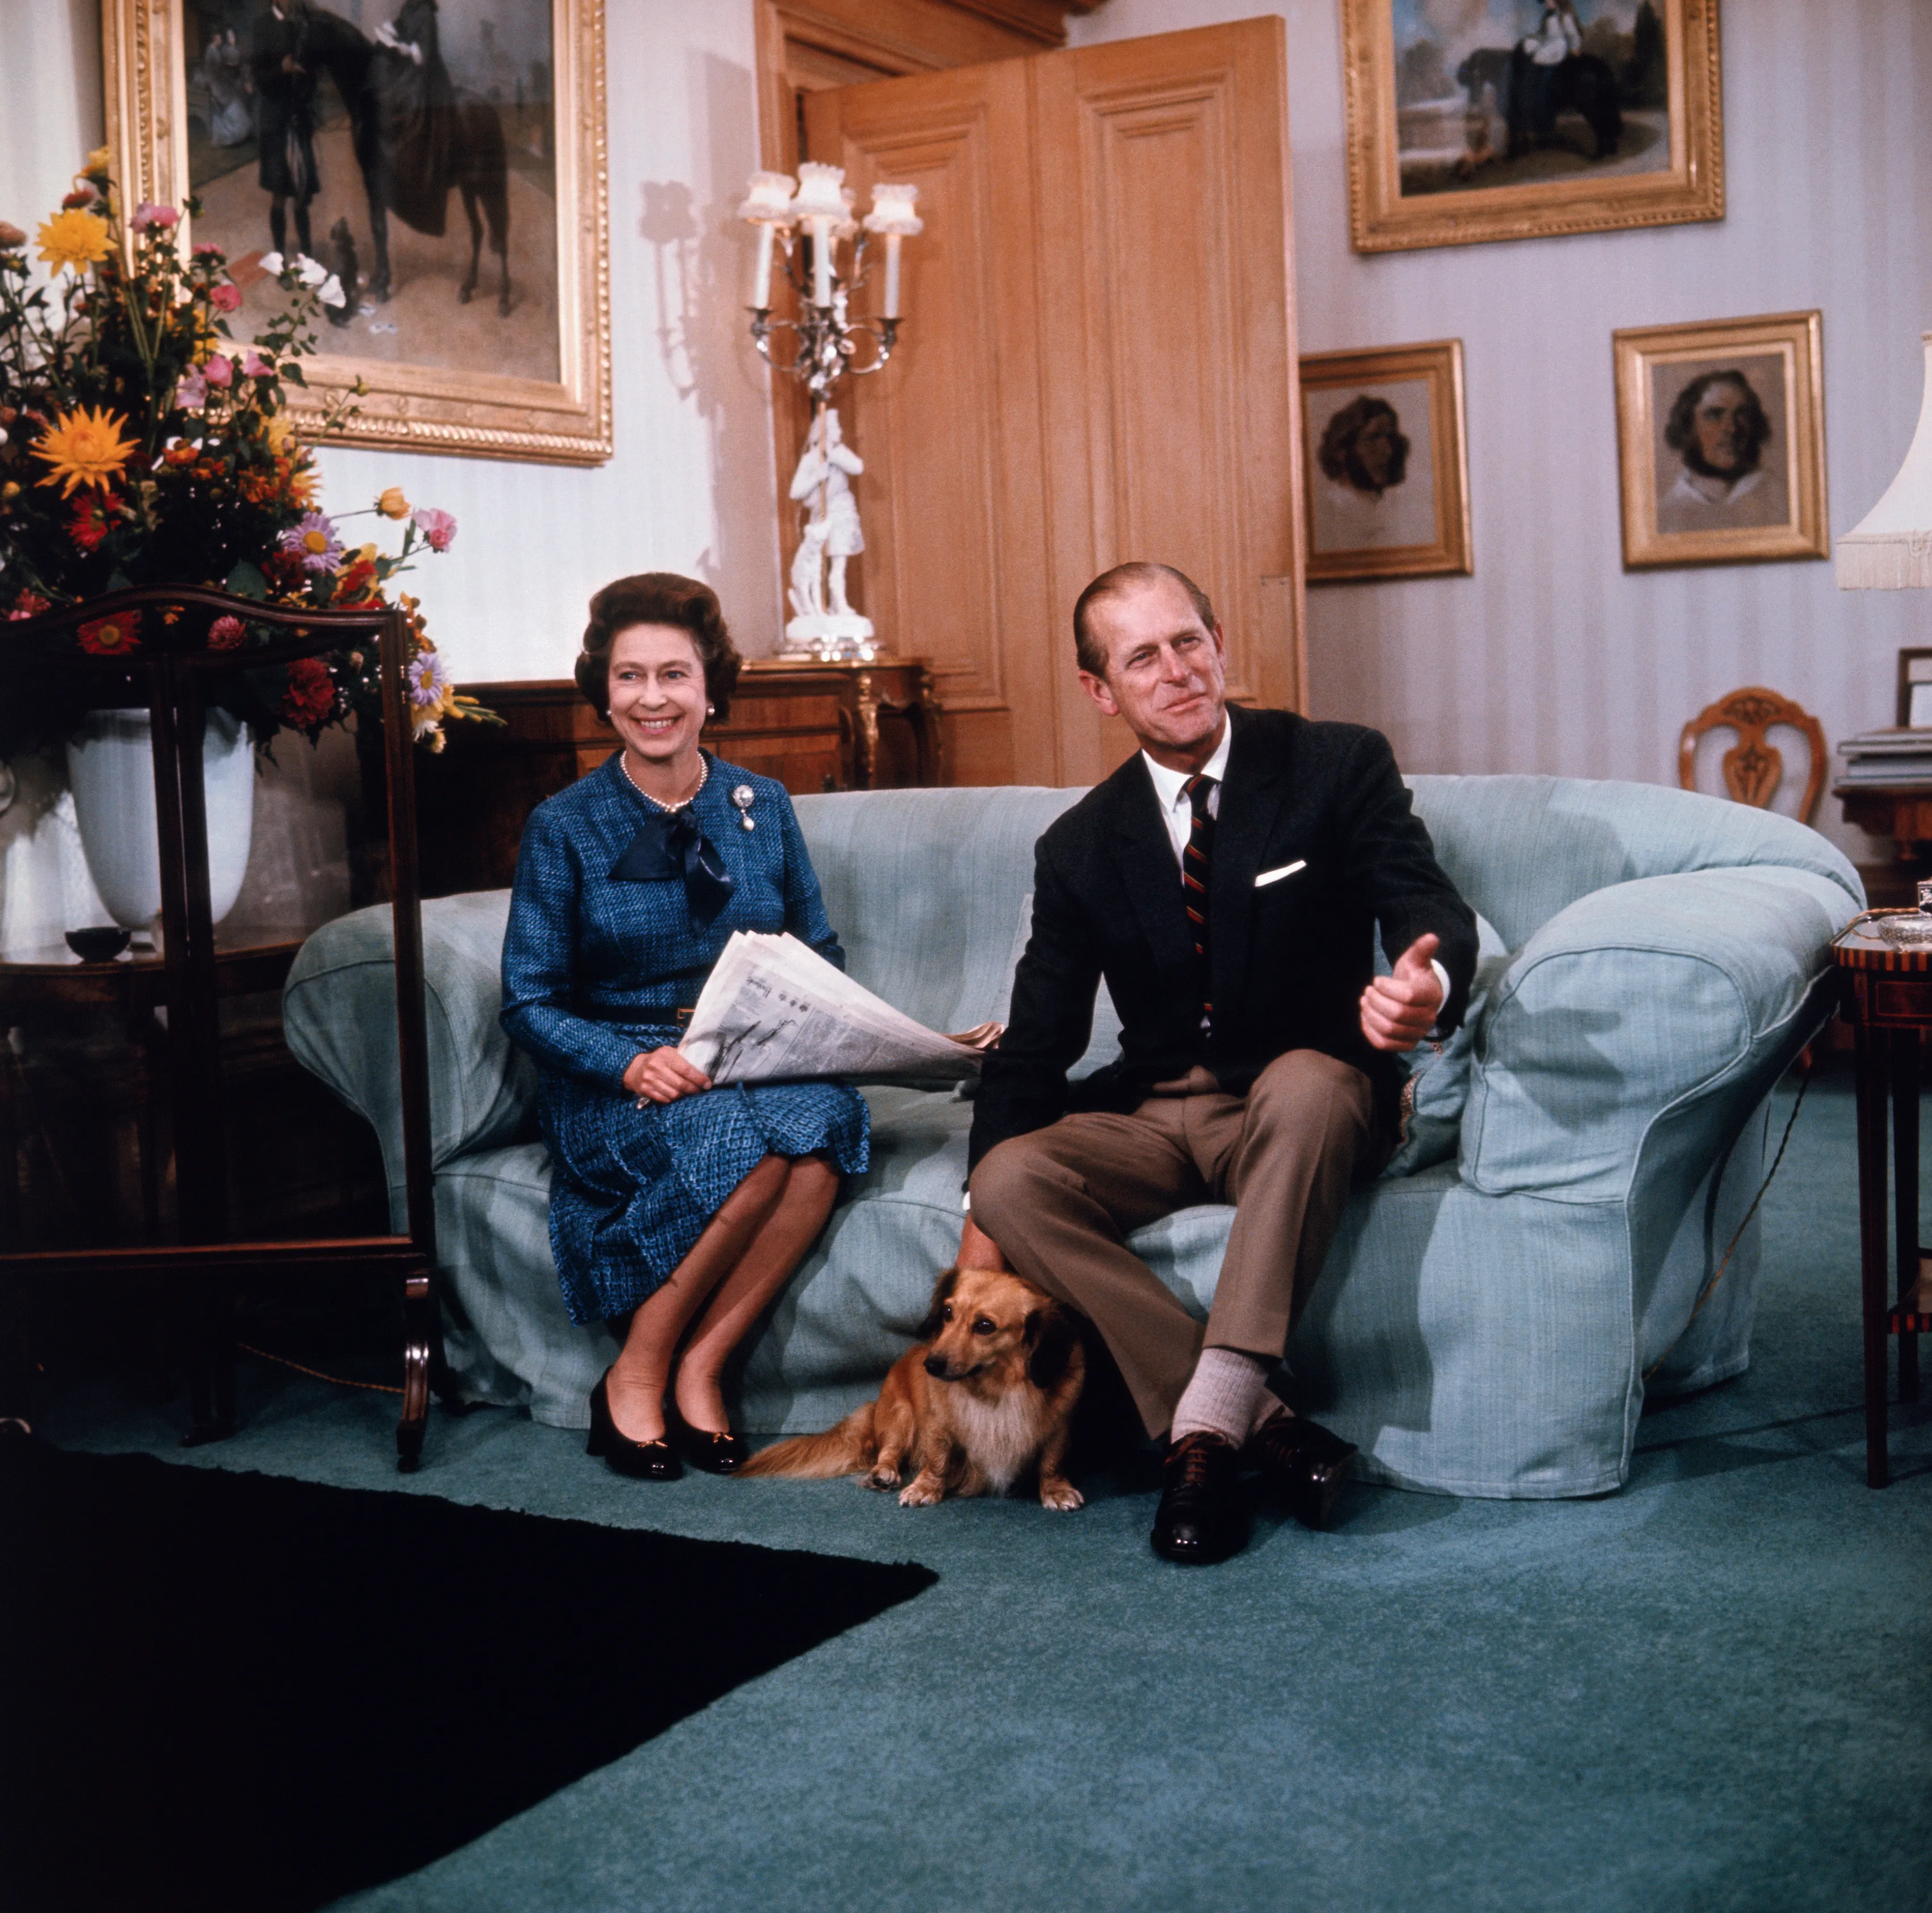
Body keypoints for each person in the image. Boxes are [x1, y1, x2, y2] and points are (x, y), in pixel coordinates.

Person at [962, 562, 1477, 1565]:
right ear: (1099, 689)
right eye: (1141, 656)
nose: (1176, 671)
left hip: (1303, 1099)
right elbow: (1036, 1043)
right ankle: (1263, 1420)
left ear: (1220, 640)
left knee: (1309, 1080)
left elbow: (1423, 902)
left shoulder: (1333, 763)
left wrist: (1428, 985)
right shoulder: (1078, 844)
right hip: (1154, 1115)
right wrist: (976, 1233)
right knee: (1008, 1173)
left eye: (1188, 640)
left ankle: (1198, 1438)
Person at [500, 574, 870, 1480]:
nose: (652, 699)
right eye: (630, 677)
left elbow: (816, 950)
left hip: (743, 1060)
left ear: (711, 690)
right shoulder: (564, 826)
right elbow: (529, 1001)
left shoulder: (762, 805)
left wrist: (811, 1026)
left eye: (674, 675)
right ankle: (635, 1374)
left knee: (822, 1134)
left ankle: (702, 1366)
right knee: (751, 1149)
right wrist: (629, 1066)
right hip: (616, 1081)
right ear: (604, 689)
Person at [1656, 369, 1787, 535]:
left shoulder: (1783, 501)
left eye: (1742, 415)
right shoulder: (1665, 515)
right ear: (1687, 426)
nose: (1731, 428)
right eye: (1714, 415)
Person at [250, 1, 320, 262]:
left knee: (302, 194)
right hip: (275, 124)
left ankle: (308, 258)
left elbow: (313, 75)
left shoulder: (301, 25)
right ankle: (279, 258)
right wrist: (282, 69)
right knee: (279, 194)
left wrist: (306, 75)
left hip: (299, 122)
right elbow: (258, 77)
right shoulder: (262, 26)